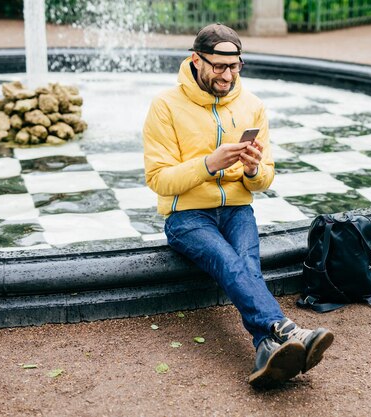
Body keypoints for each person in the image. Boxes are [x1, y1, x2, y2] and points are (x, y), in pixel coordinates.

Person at [143, 23, 334, 387]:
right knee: (232, 262)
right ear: (196, 60)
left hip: (237, 209)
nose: (227, 75)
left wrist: (251, 170)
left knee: (246, 266)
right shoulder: (165, 106)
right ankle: (286, 328)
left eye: (235, 67)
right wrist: (209, 164)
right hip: (186, 216)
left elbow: (266, 179)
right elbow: (159, 179)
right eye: (218, 67)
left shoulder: (252, 106)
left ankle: (266, 346)